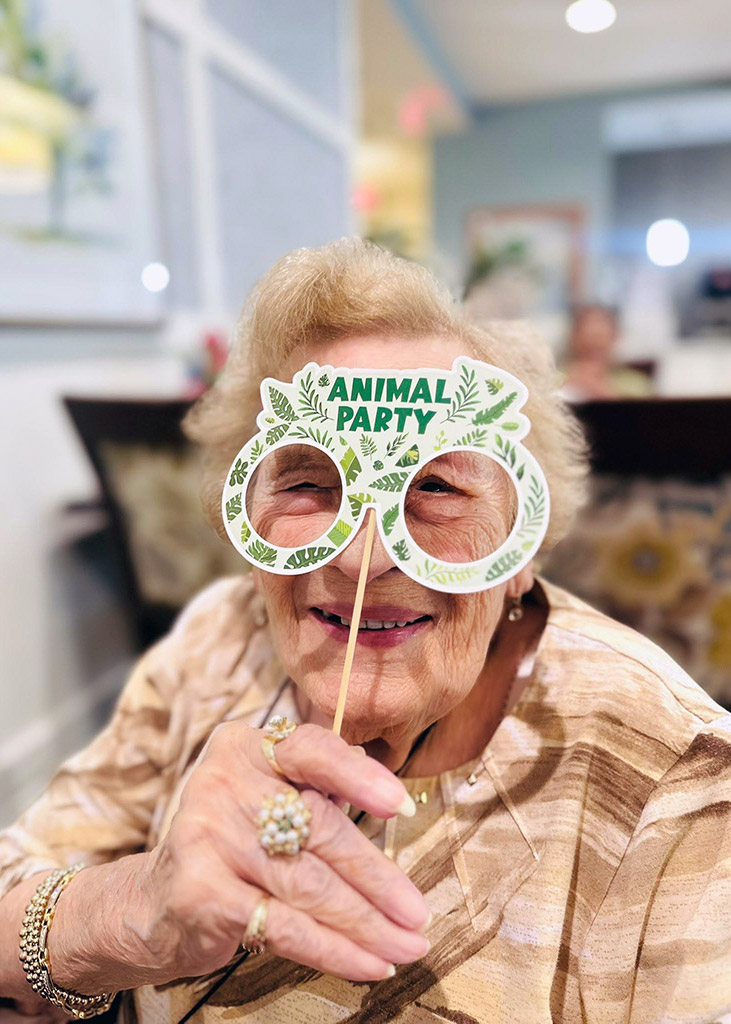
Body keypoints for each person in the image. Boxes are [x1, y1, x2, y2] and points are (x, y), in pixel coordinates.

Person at [1, 239, 730, 1024]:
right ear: (241, 516)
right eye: (309, 481)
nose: (362, 553)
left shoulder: (673, 779)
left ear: (523, 550)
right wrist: (122, 911)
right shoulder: (217, 640)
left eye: (438, 487)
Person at [561, 304, 652, 400]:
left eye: (600, 337)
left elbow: (643, 413)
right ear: (573, 338)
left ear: (615, 337)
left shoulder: (636, 384)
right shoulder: (554, 377)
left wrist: (600, 390)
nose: (594, 343)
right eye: (588, 337)